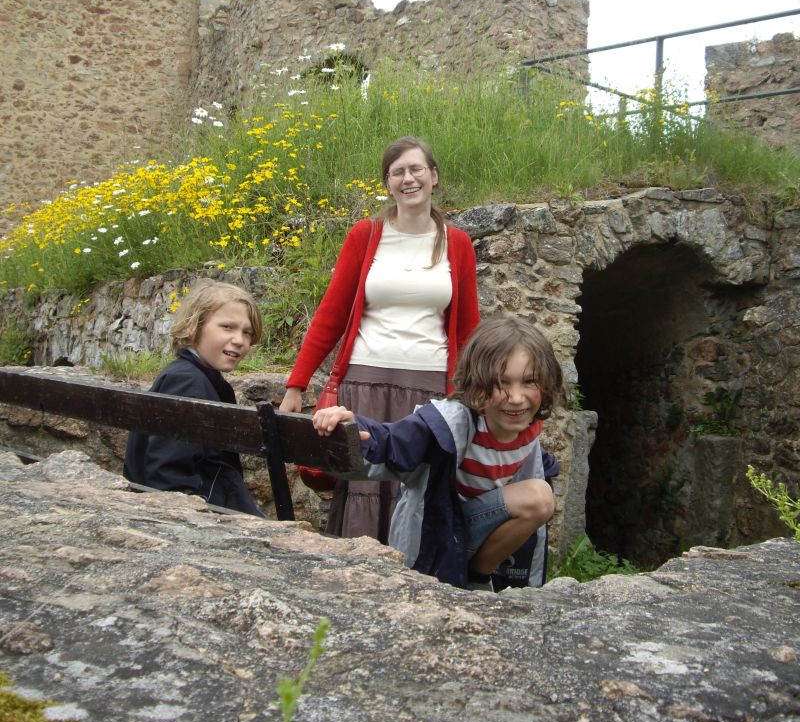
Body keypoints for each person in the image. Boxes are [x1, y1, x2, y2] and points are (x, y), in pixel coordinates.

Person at [279, 135, 480, 542]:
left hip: (429, 390)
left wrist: (474, 394)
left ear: (434, 176)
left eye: (416, 169)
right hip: (364, 383)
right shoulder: (365, 235)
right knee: (364, 489)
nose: (409, 179)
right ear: (387, 183)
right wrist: (295, 384)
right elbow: (330, 316)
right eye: (398, 172)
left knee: (418, 490)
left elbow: (468, 330)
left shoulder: (457, 244)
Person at [312, 315, 565, 591]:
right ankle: (476, 578)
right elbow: (392, 442)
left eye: (529, 382)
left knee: (539, 495)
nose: (516, 398)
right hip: (440, 537)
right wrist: (347, 427)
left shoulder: (529, 433)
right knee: (539, 497)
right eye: (502, 383)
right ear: (478, 382)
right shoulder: (448, 424)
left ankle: (478, 576)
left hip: (481, 539)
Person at [124, 279, 265, 517]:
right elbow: (168, 475)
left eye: (247, 332)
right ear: (196, 326)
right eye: (227, 327)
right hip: (196, 515)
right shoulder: (188, 383)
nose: (240, 340)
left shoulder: (198, 377)